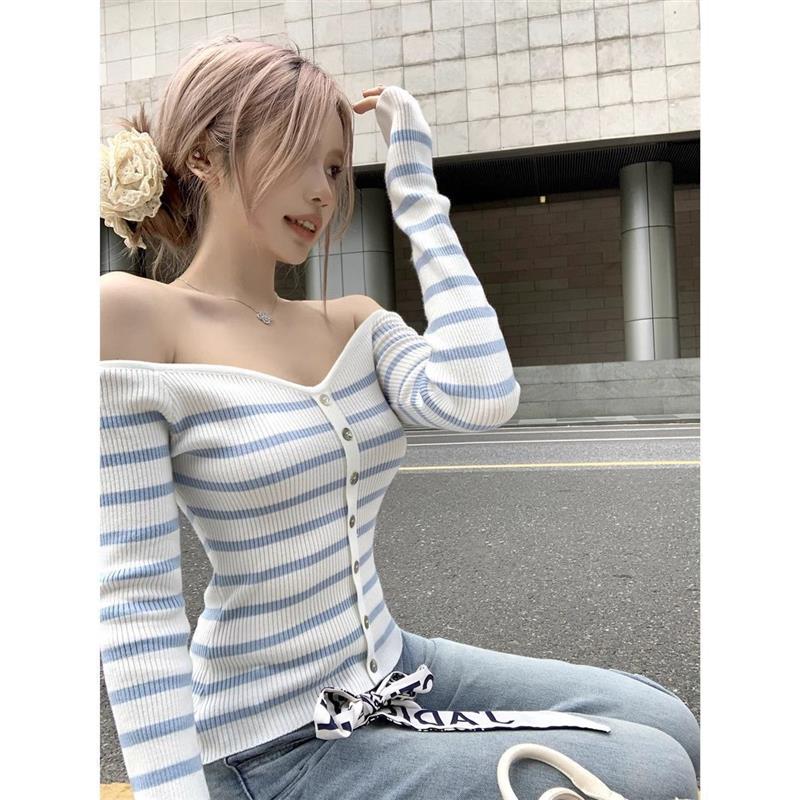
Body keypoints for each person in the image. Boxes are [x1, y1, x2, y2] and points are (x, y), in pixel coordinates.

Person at [99, 36, 700, 800]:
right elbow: (137, 599)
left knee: (672, 724)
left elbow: (481, 395)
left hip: (392, 666)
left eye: (335, 167)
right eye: (298, 154)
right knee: (653, 773)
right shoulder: (134, 317)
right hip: (277, 744)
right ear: (203, 157)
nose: (323, 191)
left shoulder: (353, 323)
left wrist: (416, 189)